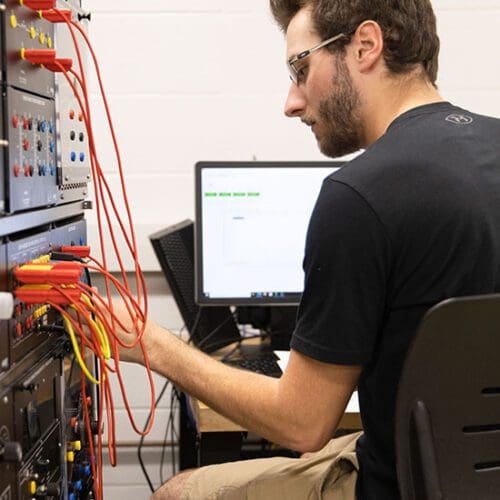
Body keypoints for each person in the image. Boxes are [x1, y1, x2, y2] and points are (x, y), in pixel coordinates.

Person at [110, 0, 500, 498]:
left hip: (397, 485)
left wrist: (151, 344)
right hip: (455, 469)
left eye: (300, 67)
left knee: (179, 489)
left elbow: (301, 425)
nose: (291, 102)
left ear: (365, 46)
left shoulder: (359, 195)